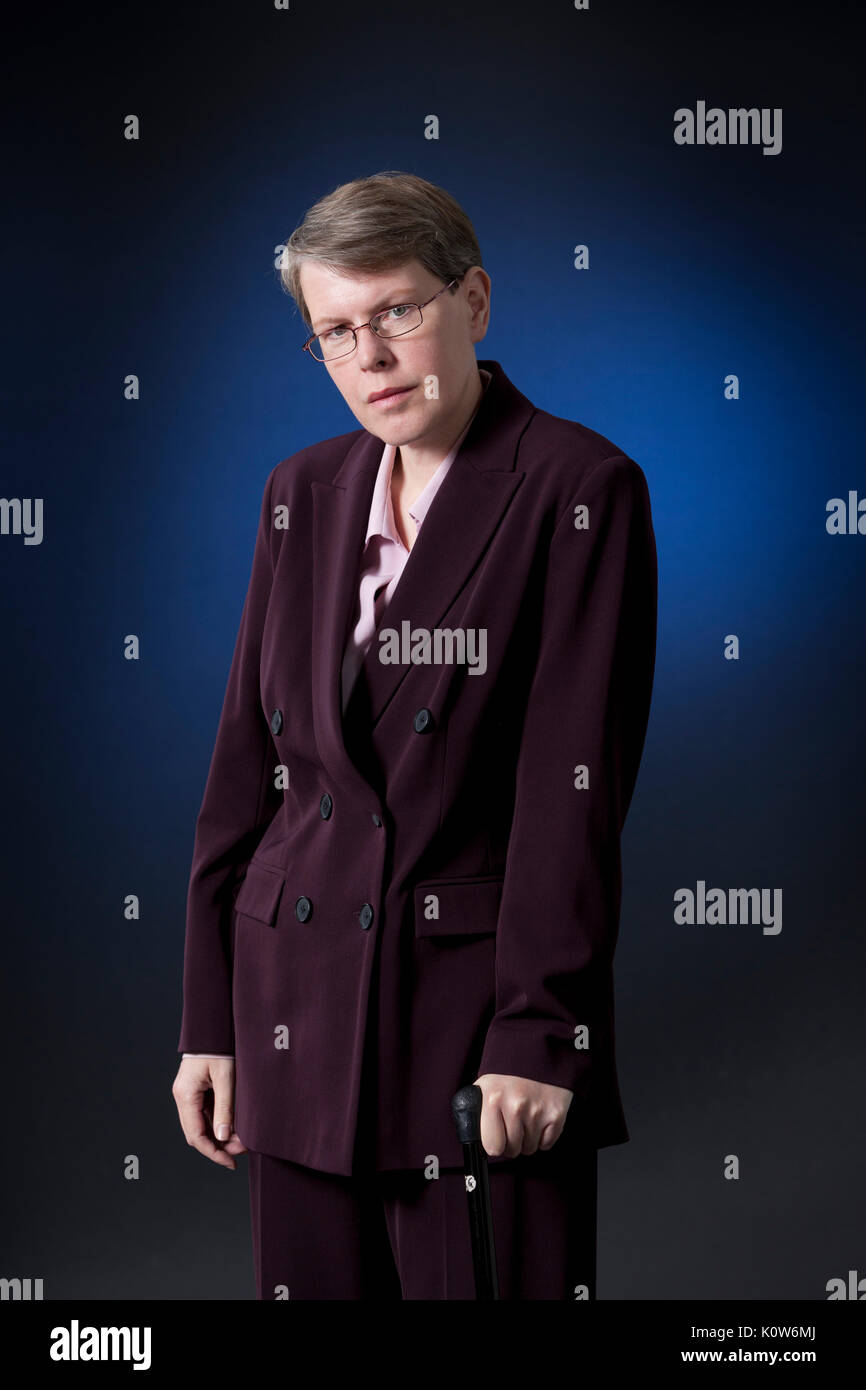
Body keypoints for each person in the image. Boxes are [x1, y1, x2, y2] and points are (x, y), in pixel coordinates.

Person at [172, 170, 658, 1300]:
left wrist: (541, 1033)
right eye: (335, 332)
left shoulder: (577, 488)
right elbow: (243, 772)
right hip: (290, 1010)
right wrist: (212, 1020)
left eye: (396, 312)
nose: (371, 356)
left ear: (473, 301)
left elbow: (569, 792)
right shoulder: (300, 489)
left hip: (467, 1029)